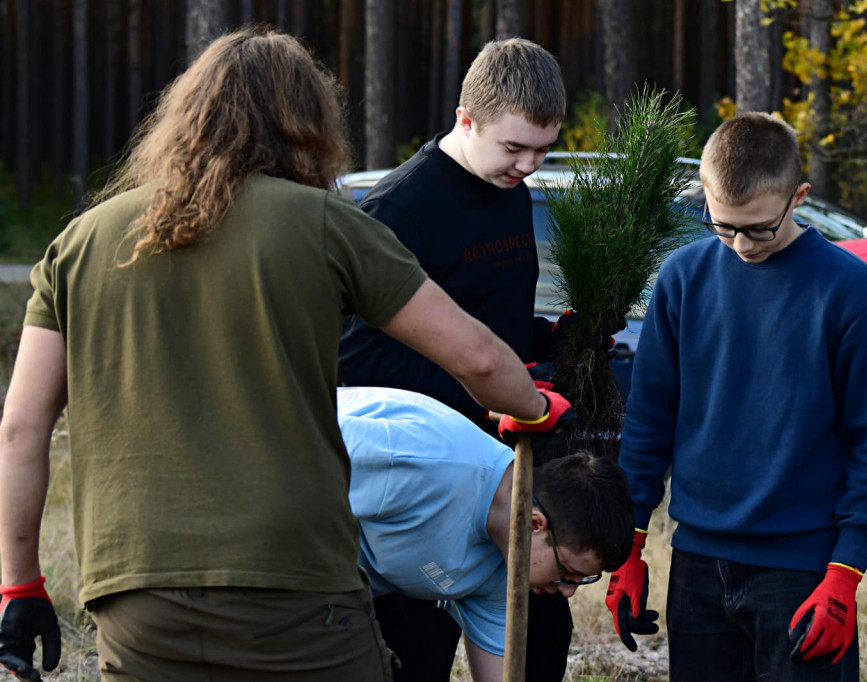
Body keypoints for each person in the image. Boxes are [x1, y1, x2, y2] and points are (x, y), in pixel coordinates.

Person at [0, 29, 571, 682]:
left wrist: (19, 587)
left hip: (133, 592)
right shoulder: (328, 224)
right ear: (311, 123)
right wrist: (533, 409)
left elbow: (19, 428)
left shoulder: (80, 241)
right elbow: (479, 359)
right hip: (293, 585)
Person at [604, 112, 867, 681]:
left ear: (799, 197)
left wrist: (845, 572)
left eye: (759, 229)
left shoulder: (850, 293)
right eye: (723, 227)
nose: (741, 245)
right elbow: (649, 422)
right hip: (696, 566)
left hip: (804, 571)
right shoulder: (682, 278)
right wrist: (630, 544)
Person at [338, 38, 577, 680]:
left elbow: (482, 318)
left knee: (542, 634)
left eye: (542, 150)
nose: (528, 165)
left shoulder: (509, 189)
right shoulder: (400, 209)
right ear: (464, 119)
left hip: (504, 472)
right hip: (421, 488)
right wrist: (484, 385)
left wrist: (546, 340)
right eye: (514, 147)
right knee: (414, 654)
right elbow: (362, 363)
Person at [337, 386, 633, 682]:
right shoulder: (423, 461)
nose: (568, 590)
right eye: (568, 572)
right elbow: (300, 446)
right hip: (303, 567)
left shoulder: (506, 572)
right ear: (534, 524)